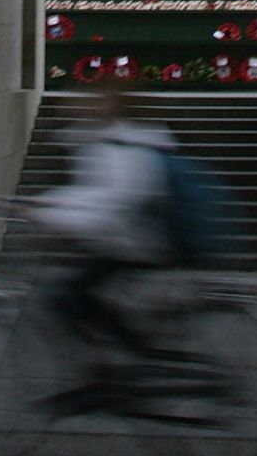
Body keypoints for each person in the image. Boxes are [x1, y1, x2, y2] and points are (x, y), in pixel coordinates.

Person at [28, 83, 178, 366]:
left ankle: (125, 363)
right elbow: (94, 194)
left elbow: (113, 200)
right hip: (124, 239)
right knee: (85, 298)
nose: (82, 106)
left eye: (93, 100)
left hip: (135, 241)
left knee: (70, 298)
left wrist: (48, 212)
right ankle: (121, 359)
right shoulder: (106, 140)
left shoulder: (121, 144)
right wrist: (47, 206)